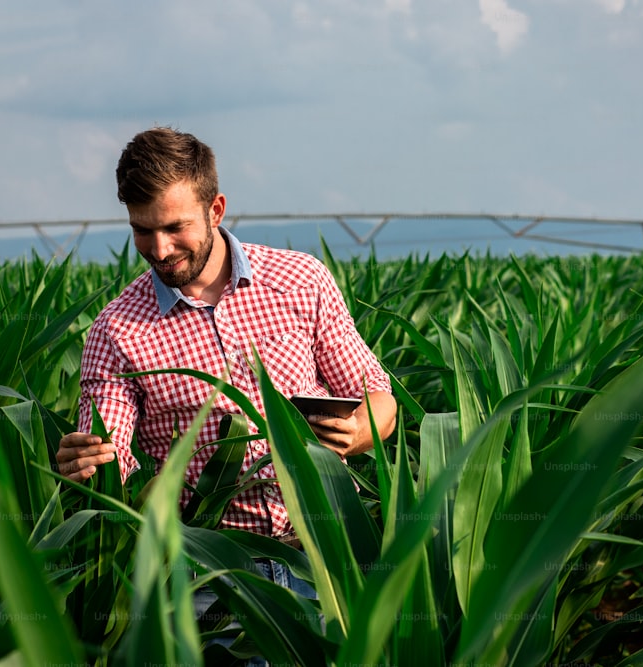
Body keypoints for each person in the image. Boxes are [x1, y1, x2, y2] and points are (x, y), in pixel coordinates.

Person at [56, 126, 397, 544]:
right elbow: (109, 456)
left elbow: (379, 400)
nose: (160, 250)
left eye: (174, 227)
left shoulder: (301, 280)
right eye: (143, 230)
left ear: (215, 210)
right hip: (206, 565)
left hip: (326, 549)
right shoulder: (116, 330)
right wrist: (89, 463)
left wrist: (359, 431)